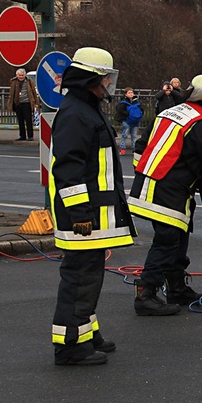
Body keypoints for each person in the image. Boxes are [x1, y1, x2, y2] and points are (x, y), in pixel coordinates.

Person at [128, 73, 202, 315]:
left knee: (177, 238)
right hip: (167, 191)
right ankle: (146, 293)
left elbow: (141, 147)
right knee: (168, 241)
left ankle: (176, 289)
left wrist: (148, 173)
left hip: (155, 185)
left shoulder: (170, 112)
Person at [49, 47, 135, 366]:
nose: (108, 85)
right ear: (90, 79)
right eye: (104, 78)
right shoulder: (75, 113)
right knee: (79, 277)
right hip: (84, 218)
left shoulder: (86, 108)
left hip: (94, 216)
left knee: (90, 276)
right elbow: (69, 171)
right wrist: (81, 218)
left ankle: (85, 333)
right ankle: (69, 345)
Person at [9, 67, 40, 141]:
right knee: (20, 121)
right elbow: (11, 93)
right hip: (18, 104)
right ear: (17, 75)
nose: (21, 77)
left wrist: (36, 103)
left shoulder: (29, 82)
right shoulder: (14, 82)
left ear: (25, 75)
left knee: (28, 120)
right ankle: (22, 136)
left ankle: (30, 136)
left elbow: (34, 93)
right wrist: (11, 103)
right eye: (19, 75)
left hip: (27, 103)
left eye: (22, 75)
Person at [114, 87, 145, 156]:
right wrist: (128, 114)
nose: (131, 94)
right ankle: (123, 149)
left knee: (133, 136)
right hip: (127, 121)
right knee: (125, 135)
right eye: (129, 93)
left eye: (132, 93)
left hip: (134, 121)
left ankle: (134, 150)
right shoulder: (124, 103)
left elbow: (142, 109)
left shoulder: (136, 101)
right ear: (126, 94)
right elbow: (120, 110)